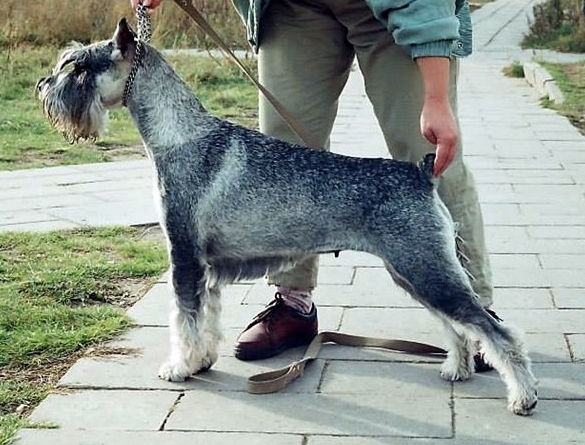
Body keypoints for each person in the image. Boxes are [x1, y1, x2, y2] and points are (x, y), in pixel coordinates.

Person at [130, 0, 494, 368]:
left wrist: (435, 96)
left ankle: (474, 312)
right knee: (280, 155)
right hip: (295, 7)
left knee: (429, 155)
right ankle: (293, 302)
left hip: (396, 9)